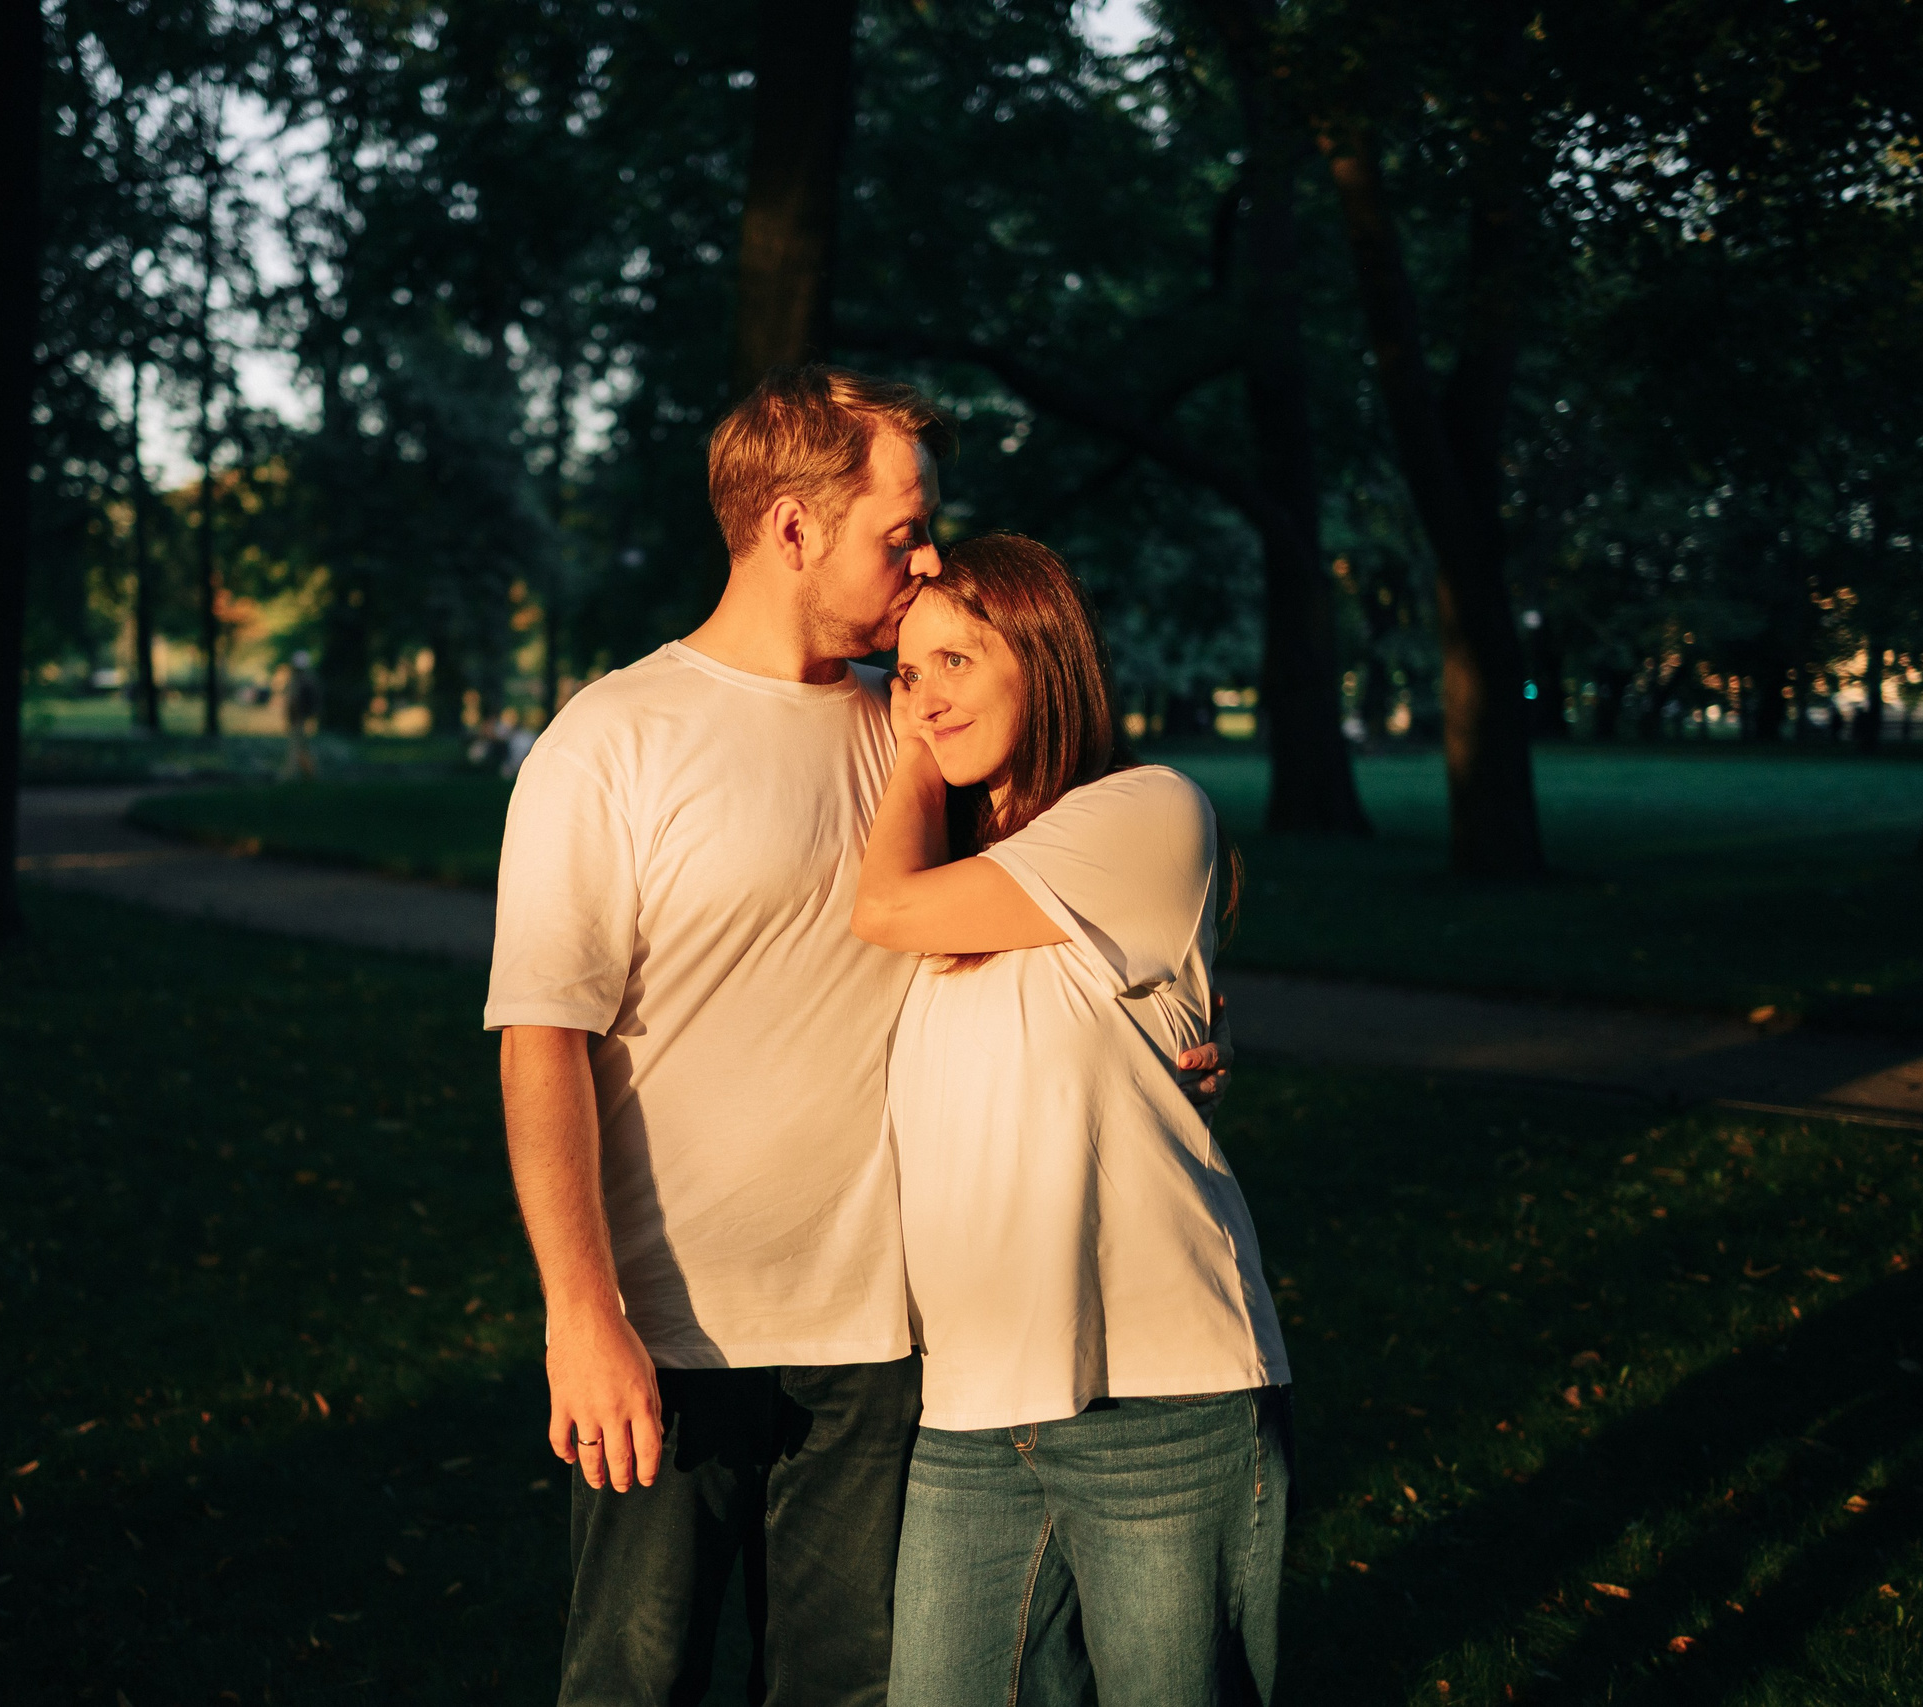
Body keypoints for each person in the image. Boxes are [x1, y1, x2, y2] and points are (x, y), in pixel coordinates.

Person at [485, 369, 1227, 1707]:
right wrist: (580, 1312)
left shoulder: (925, 720)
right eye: (903, 529)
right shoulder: (611, 741)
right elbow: (541, 1042)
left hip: (886, 1342)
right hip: (669, 1332)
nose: (930, 555)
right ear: (791, 530)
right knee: (629, 1684)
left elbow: (1069, 913)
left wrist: (1173, 1031)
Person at [852, 535, 1292, 1707]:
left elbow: (891, 910)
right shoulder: (972, 859)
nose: (924, 695)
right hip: (971, 1406)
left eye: (953, 658)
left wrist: (903, 751)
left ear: (1044, 660)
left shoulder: (1145, 810)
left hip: (1155, 1395)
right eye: (903, 672)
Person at [280, 649, 320, 780]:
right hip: (302, 719)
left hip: (299, 719)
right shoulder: (308, 680)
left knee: (296, 748)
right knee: (302, 747)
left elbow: (294, 702)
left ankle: (290, 775)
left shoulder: (299, 681)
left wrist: (293, 717)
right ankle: (309, 773)